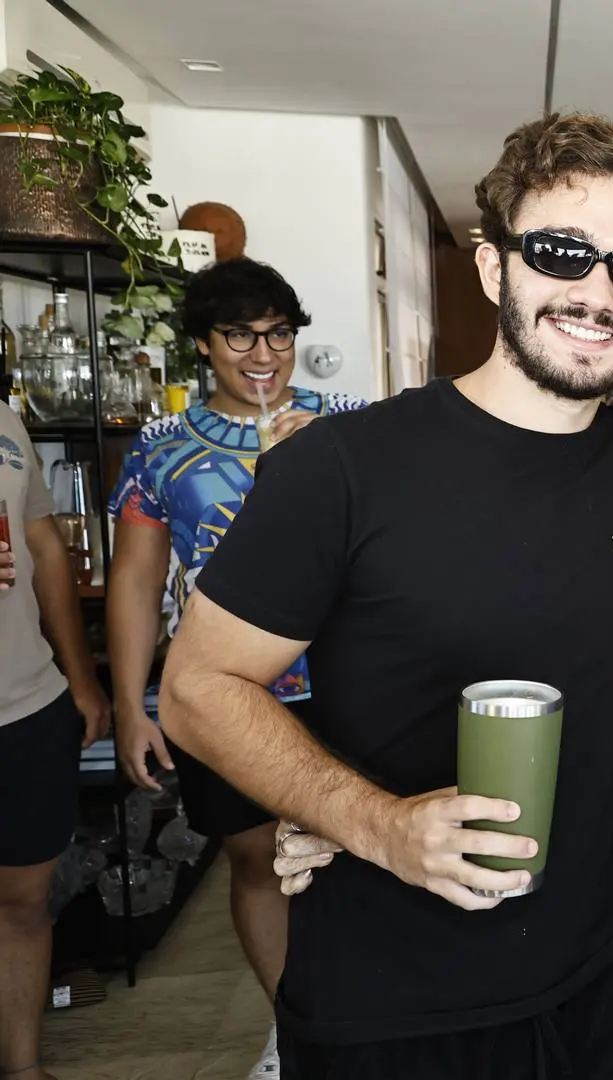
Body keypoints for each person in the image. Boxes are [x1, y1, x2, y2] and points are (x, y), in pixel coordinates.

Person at [157, 111, 613, 1079]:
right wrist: (368, 823)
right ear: (493, 268)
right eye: (561, 253)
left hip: (599, 980)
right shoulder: (342, 467)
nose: (598, 292)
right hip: (392, 1000)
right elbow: (199, 688)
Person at [105, 257, 366, 1079]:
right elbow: (137, 580)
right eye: (240, 336)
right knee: (257, 860)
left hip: (348, 684)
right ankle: (294, 1029)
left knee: (356, 850)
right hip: (224, 690)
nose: (263, 355)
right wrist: (131, 705)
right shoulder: (162, 448)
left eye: (278, 335)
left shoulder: (345, 424)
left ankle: (366, 1019)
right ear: (203, 344)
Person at [0, 405, 111, 1080]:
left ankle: (22, 1067)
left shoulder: (5, 421)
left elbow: (43, 549)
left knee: (23, 903)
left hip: (27, 704)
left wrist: (80, 677)